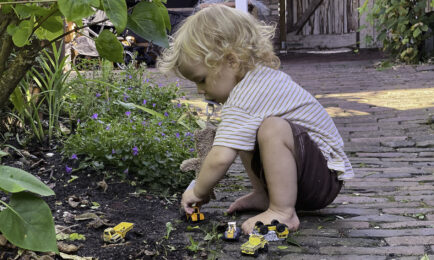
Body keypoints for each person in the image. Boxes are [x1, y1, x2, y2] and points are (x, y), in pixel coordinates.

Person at [157, 5, 354, 234]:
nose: (200, 90)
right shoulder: (252, 82)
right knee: (244, 130)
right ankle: (264, 195)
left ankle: (282, 211)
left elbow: (220, 158)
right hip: (309, 175)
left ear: (231, 61)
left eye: (201, 79)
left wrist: (197, 192)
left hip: (322, 181)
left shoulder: (247, 95)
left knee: (272, 128)